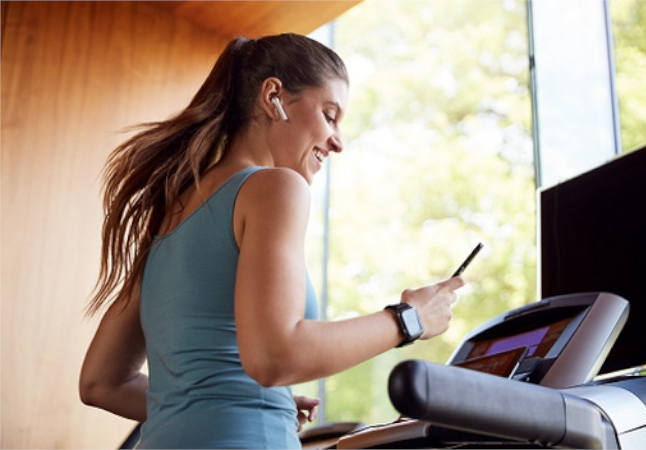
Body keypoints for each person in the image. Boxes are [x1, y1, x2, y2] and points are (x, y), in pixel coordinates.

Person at [79, 33, 465, 449]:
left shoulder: (172, 211)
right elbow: (274, 357)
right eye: (329, 114)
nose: (338, 140)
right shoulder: (276, 187)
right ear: (273, 96)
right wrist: (410, 318)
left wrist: (248, 402)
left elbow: (102, 382)